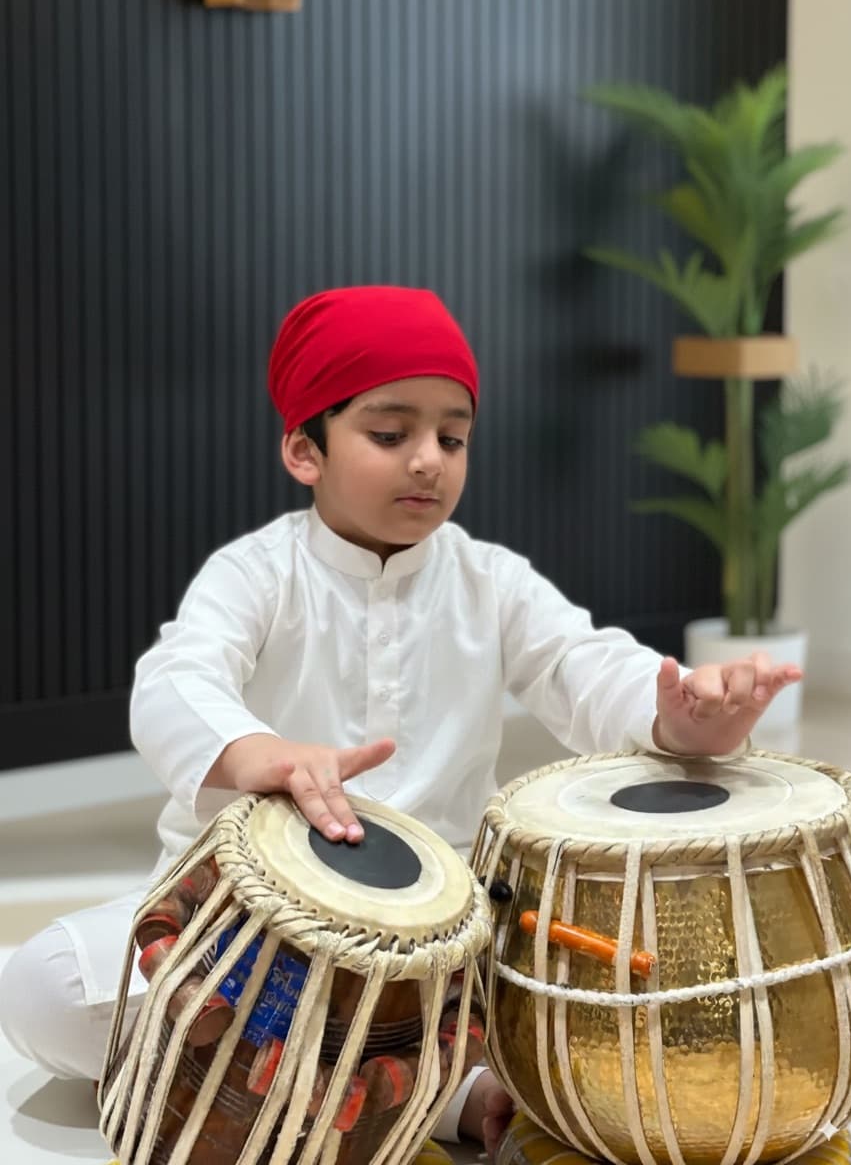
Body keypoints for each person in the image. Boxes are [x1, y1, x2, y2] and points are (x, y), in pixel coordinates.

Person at [0, 286, 802, 1160]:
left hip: (439, 956)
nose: (429, 461)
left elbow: (588, 668)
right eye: (391, 435)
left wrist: (685, 712)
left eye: (452, 437)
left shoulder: (490, 581)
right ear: (305, 450)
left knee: (639, 982)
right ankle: (435, 1087)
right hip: (246, 942)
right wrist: (262, 754)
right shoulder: (258, 573)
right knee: (38, 990)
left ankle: (351, 1079)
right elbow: (175, 678)